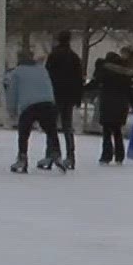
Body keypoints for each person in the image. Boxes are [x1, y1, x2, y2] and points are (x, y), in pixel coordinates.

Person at [4, 46, 65, 172]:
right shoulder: (42, 70)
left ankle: (22, 157)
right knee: (51, 131)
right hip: (47, 103)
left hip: (29, 105)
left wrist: (12, 110)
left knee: (24, 132)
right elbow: (49, 86)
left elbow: (12, 92)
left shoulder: (17, 72)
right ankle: (56, 154)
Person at [87, 48, 133, 164]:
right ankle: (119, 156)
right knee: (117, 131)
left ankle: (106, 156)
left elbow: (94, 83)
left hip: (107, 103)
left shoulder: (104, 70)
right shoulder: (124, 72)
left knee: (106, 131)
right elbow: (129, 90)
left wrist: (81, 89)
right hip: (121, 104)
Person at [44, 31, 85, 169]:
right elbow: (79, 78)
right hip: (70, 95)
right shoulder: (74, 57)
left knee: (51, 126)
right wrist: (78, 97)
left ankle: (51, 154)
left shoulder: (53, 56)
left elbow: (47, 75)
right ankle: (70, 156)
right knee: (67, 126)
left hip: (55, 94)